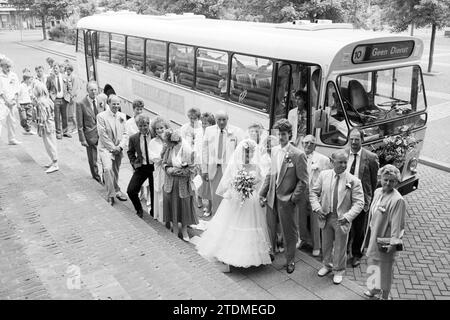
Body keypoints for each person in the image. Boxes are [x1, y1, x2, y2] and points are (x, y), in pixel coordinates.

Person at [196, 138, 272, 268]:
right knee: (231, 224)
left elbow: (260, 181)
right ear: (241, 153)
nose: (248, 156)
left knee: (250, 223)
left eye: (251, 154)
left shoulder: (256, 166)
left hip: (251, 200)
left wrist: (251, 186)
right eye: (246, 153)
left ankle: (251, 255)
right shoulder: (235, 165)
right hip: (236, 199)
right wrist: (238, 186)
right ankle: (228, 253)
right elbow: (228, 182)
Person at [259, 119, 309, 274]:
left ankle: (290, 260)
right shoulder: (274, 151)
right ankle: (271, 252)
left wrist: (293, 197)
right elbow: (271, 173)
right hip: (272, 197)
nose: (280, 137)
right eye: (279, 134)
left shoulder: (298, 155)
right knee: (271, 228)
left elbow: (304, 180)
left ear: (290, 135)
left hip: (287, 199)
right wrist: (263, 192)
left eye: (284, 134)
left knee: (289, 232)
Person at [310, 150, 364, 284]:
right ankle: (326, 265)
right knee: (326, 244)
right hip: (326, 216)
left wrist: (348, 216)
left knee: (340, 246)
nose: (344, 165)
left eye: (346, 162)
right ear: (332, 162)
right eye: (340, 162)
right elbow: (314, 193)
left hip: (341, 219)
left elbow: (359, 202)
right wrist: (317, 208)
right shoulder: (324, 175)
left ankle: (339, 270)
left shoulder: (354, 181)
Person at [362, 164, 406, 300]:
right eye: (385, 179)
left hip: (385, 242)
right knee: (372, 264)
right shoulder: (377, 192)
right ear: (381, 178)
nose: (388, 183)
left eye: (392, 181)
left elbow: (397, 225)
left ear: (396, 182)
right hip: (373, 236)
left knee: (385, 270)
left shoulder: (397, 200)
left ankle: (385, 296)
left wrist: (393, 244)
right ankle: (373, 289)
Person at [346, 128, 379, 267]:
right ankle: (344, 250)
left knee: (359, 229)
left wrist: (369, 198)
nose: (353, 142)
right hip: (345, 197)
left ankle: (356, 254)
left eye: (357, 139)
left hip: (361, 199)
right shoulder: (343, 154)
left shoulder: (371, 158)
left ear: (362, 140)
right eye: (351, 139)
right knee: (344, 225)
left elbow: (373, 181)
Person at [202, 110, 244, 216]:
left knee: (228, 196)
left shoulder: (236, 131)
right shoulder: (209, 130)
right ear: (216, 120)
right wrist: (204, 170)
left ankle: (226, 218)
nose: (221, 122)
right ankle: (215, 218)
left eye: (224, 119)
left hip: (229, 170)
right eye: (219, 120)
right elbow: (205, 151)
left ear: (227, 119)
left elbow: (240, 152)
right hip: (214, 169)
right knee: (215, 196)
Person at [296, 135, 332, 257]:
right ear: (302, 143)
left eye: (311, 143)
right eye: (306, 143)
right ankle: (302, 239)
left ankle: (316, 246)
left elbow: (327, 178)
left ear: (315, 145)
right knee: (300, 218)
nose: (308, 145)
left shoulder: (323, 159)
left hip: (314, 193)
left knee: (315, 220)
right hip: (301, 192)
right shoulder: (298, 156)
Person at [162, 129, 198, 241]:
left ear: (173, 142)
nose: (166, 144)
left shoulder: (187, 150)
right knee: (172, 205)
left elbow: (192, 169)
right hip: (171, 183)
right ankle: (175, 228)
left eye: (167, 142)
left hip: (183, 184)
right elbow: (163, 163)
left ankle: (184, 230)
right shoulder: (169, 149)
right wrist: (168, 169)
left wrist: (178, 172)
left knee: (184, 206)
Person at [97, 94, 128, 205]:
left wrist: (119, 147)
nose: (115, 106)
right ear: (108, 104)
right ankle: (111, 195)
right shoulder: (101, 116)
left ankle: (116, 189)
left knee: (115, 171)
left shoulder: (122, 116)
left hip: (118, 149)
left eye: (117, 104)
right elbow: (102, 134)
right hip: (106, 148)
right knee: (108, 168)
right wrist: (112, 148)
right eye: (113, 103)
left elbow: (125, 134)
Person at [126, 114, 155, 218]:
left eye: (145, 125)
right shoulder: (134, 138)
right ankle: (139, 209)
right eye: (140, 125)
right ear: (137, 126)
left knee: (154, 192)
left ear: (149, 124)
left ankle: (154, 213)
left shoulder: (155, 135)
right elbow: (130, 152)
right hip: (142, 167)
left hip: (154, 168)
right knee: (131, 190)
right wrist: (134, 163)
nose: (143, 128)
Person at [76, 81, 104, 183]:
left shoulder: (101, 100)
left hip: (102, 134)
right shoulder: (81, 104)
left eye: (95, 89)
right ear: (87, 90)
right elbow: (79, 124)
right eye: (91, 90)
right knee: (93, 159)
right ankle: (96, 178)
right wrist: (82, 139)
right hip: (90, 135)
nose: (93, 92)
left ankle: (106, 178)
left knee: (105, 158)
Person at [125, 99, 150, 206]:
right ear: (133, 109)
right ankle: (141, 194)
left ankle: (149, 196)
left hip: (150, 161)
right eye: (137, 109)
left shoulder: (148, 123)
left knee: (150, 182)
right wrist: (134, 162)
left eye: (141, 109)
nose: (139, 111)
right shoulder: (129, 123)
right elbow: (129, 143)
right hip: (138, 159)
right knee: (134, 185)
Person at [32, 81, 59, 173]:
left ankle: (55, 163)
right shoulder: (47, 99)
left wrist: (40, 126)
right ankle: (53, 161)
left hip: (47, 125)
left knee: (49, 144)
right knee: (51, 142)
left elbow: (43, 116)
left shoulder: (41, 101)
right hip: (51, 124)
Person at [148, 116, 170, 223]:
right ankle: (162, 218)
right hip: (160, 171)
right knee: (161, 194)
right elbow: (153, 157)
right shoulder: (153, 142)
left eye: (162, 128)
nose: (160, 130)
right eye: (157, 129)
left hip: (170, 172)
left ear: (166, 127)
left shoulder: (171, 140)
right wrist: (163, 156)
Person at [180, 107, 203, 206]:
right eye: (190, 118)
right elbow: (181, 142)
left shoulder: (202, 127)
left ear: (198, 118)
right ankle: (192, 197)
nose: (192, 120)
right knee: (190, 178)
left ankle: (200, 198)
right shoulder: (185, 128)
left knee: (199, 178)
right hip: (188, 157)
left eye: (194, 118)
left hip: (199, 157)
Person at [0, 56, 21, 145]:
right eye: (6, 66)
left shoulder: (14, 75)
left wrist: (14, 100)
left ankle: (12, 139)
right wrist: (6, 101)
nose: (8, 68)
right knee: (0, 120)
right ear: (2, 66)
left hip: (12, 102)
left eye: (9, 67)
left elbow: (17, 89)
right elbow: (0, 91)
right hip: (3, 102)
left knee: (12, 122)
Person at [198, 112, 215, 215]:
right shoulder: (201, 133)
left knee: (209, 188)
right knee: (204, 187)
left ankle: (209, 207)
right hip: (201, 163)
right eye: (203, 123)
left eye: (206, 123)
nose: (204, 125)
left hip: (209, 165)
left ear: (212, 125)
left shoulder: (212, 135)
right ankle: (207, 205)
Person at [46, 62, 70, 139]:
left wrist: (69, 96)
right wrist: (50, 97)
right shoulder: (50, 78)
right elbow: (47, 88)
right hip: (55, 99)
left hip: (64, 99)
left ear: (59, 69)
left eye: (56, 68)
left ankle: (65, 131)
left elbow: (69, 87)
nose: (55, 70)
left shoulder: (64, 77)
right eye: (54, 68)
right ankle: (58, 132)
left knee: (65, 116)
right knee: (57, 117)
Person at [18, 69, 35, 135]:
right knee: (24, 118)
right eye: (30, 79)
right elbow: (17, 95)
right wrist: (18, 103)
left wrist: (33, 99)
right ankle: (24, 126)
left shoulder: (29, 86)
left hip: (29, 103)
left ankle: (28, 130)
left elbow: (31, 94)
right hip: (22, 104)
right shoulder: (21, 86)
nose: (31, 81)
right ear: (26, 79)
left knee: (29, 117)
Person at [65, 63, 78, 134]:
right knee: (70, 113)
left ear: (71, 70)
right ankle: (73, 126)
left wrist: (71, 97)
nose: (67, 71)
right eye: (66, 69)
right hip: (68, 97)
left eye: (68, 70)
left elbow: (74, 87)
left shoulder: (73, 77)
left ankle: (76, 127)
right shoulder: (68, 76)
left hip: (72, 98)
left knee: (73, 114)